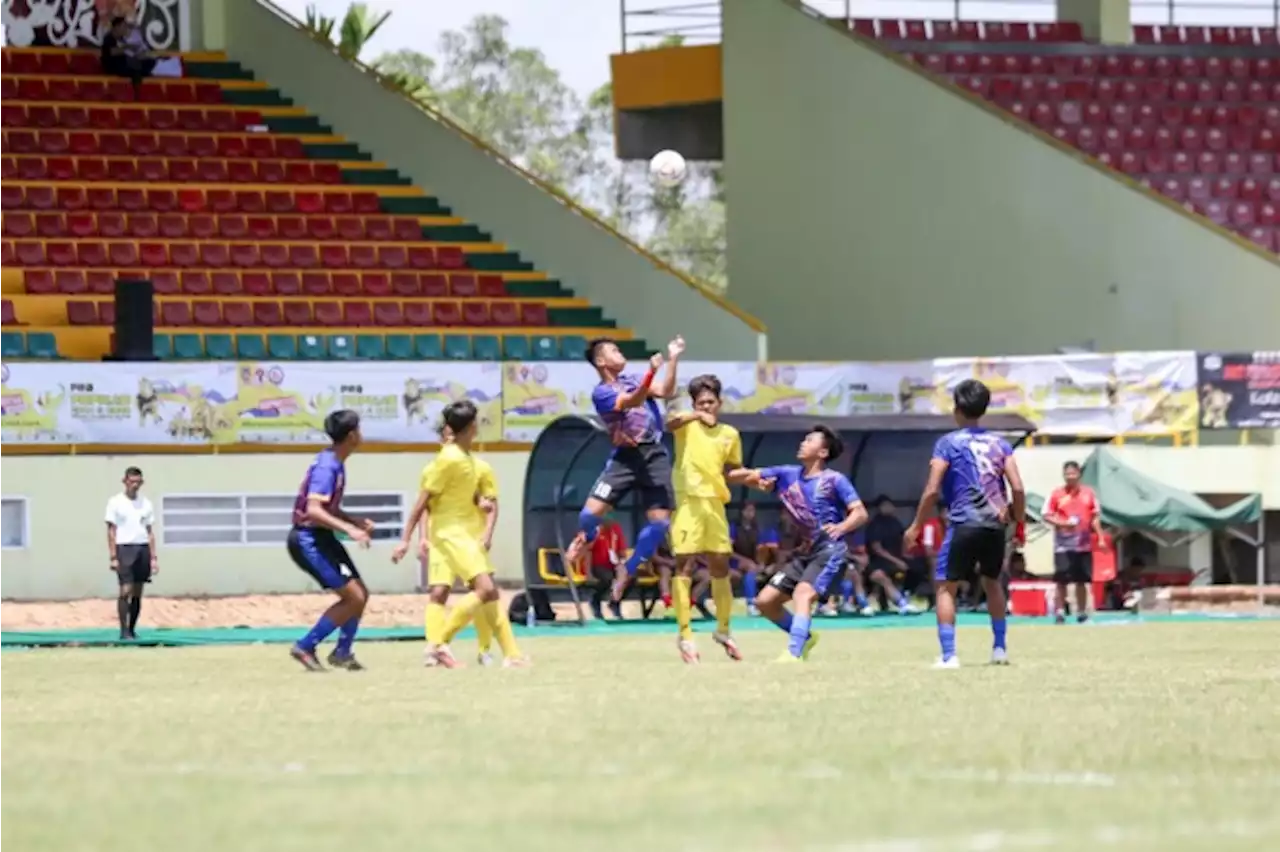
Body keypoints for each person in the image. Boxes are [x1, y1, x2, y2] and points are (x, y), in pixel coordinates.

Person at [393, 400, 525, 668]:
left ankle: (510, 655)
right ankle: (439, 644)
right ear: (471, 427)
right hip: (451, 535)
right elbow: (423, 503)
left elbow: (475, 498)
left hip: (464, 534)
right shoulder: (448, 459)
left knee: (490, 593)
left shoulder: (466, 460)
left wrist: (482, 506)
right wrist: (408, 538)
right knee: (479, 590)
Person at [906, 379, 1025, 668]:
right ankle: (999, 649)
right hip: (994, 525)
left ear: (957, 409)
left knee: (946, 586)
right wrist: (1017, 520)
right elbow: (1018, 488)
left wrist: (916, 526)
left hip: (963, 522)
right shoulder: (1000, 444)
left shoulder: (948, 443)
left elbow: (932, 489)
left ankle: (949, 656)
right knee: (993, 583)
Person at [562, 335, 686, 605]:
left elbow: (664, 391)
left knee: (660, 523)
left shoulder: (632, 378)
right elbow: (632, 402)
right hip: (625, 458)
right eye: (614, 351)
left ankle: (626, 571)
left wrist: (673, 358)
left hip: (653, 455)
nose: (621, 353)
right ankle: (589, 536)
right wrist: (652, 370)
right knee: (588, 514)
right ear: (601, 361)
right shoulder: (602, 392)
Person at [741, 425, 868, 662]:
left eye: (810, 440)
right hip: (805, 552)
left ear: (823, 452)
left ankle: (794, 651)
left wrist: (841, 527)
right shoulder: (788, 474)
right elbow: (748, 476)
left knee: (803, 593)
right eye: (804, 439)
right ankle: (806, 637)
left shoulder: (835, 480)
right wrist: (724, 472)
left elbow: (860, 513)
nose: (802, 443)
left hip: (830, 550)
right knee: (765, 602)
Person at [666, 374, 751, 663]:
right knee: (685, 564)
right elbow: (669, 423)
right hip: (689, 502)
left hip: (716, 504)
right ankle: (685, 634)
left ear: (720, 402)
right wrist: (696, 415)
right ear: (693, 403)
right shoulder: (685, 425)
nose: (706, 407)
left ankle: (724, 630)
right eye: (701, 402)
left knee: (720, 565)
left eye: (710, 402)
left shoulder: (730, 434)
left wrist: (757, 478)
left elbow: (733, 469)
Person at [287, 410, 374, 672]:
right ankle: (305, 646)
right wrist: (350, 530)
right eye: (359, 429)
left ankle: (343, 652)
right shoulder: (328, 466)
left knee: (360, 594)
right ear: (351, 436)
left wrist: (354, 521)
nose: (361, 434)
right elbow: (314, 511)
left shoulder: (334, 461)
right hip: (308, 539)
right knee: (353, 597)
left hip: (320, 536)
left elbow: (327, 509)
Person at [1043, 461, 1105, 624]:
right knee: (1061, 580)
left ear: (1079, 474)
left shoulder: (1089, 494)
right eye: (1067, 474)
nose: (1070, 476)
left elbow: (1095, 517)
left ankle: (1082, 613)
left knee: (1082, 580)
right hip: (1062, 546)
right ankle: (1060, 612)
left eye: (1073, 473)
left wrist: (1100, 537)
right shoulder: (1056, 494)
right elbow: (1046, 514)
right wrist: (1063, 524)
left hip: (1083, 545)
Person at [104, 465, 157, 641]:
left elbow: (150, 532)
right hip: (124, 547)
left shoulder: (146, 503)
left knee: (137, 591)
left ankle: (133, 629)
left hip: (142, 547)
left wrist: (153, 557)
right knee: (125, 590)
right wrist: (113, 556)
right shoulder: (115, 502)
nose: (135, 485)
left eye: (138, 482)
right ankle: (123, 630)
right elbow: (111, 530)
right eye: (131, 481)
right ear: (125, 481)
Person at [863, 495, 920, 615]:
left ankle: (906, 596)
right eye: (885, 505)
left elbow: (903, 539)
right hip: (877, 561)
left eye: (890, 505)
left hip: (896, 558)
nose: (889, 508)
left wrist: (905, 554)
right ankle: (901, 604)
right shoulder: (875, 524)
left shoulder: (895, 522)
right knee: (882, 577)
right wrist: (896, 561)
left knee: (917, 568)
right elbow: (877, 548)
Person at [731, 502, 776, 616]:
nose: (750, 513)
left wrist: (761, 563)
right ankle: (751, 605)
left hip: (751, 562)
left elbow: (760, 549)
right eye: (748, 510)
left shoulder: (757, 529)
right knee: (751, 567)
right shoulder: (734, 527)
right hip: (734, 560)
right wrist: (744, 560)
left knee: (754, 570)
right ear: (742, 512)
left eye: (752, 511)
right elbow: (728, 550)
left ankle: (758, 603)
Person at [586, 515, 627, 620]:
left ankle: (614, 602)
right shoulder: (593, 530)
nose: (610, 522)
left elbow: (622, 550)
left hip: (614, 564)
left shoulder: (616, 528)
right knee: (607, 578)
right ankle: (595, 601)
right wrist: (588, 573)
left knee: (631, 576)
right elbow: (587, 553)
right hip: (596, 565)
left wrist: (622, 564)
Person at [100, 16, 156, 93]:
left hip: (124, 63)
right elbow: (110, 52)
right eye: (123, 26)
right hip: (114, 66)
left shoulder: (121, 39)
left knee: (146, 63)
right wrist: (127, 48)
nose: (125, 29)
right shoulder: (109, 38)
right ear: (117, 27)